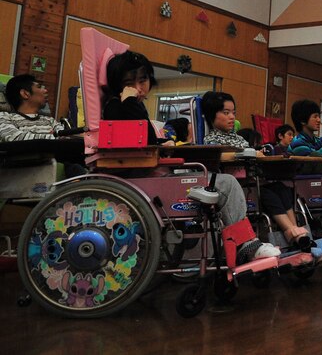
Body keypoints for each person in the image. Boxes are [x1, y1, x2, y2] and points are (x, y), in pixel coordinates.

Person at [101, 53, 279, 264]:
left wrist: (160, 145)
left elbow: (141, 140)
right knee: (227, 184)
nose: (138, 88)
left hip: (156, 173)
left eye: (142, 81)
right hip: (146, 180)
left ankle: (243, 244)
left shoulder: (130, 105)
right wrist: (130, 101)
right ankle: (245, 245)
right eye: (129, 83)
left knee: (225, 182)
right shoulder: (119, 106)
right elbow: (132, 142)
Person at [200, 91, 322, 259]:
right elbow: (218, 156)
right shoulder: (211, 140)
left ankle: (301, 237)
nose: (232, 117)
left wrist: (257, 153)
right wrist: (250, 154)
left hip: (256, 181)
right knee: (268, 194)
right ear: (212, 115)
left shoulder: (238, 139)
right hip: (242, 186)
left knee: (283, 189)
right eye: (226, 113)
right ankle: (292, 233)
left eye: (233, 112)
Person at [0, 74, 85, 176]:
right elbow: (15, 138)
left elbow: (65, 138)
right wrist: (53, 136)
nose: (45, 91)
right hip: (25, 167)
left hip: (60, 162)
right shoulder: (5, 117)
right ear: (25, 94)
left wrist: (57, 137)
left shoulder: (49, 120)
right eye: (39, 87)